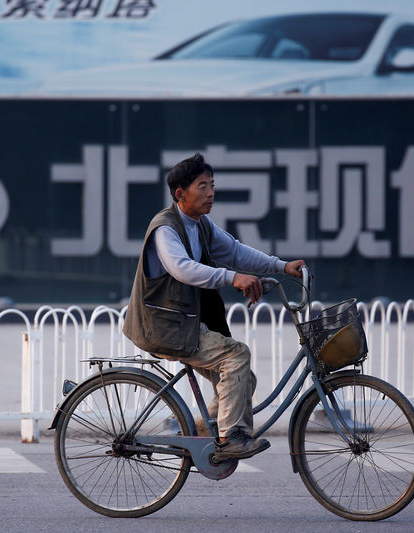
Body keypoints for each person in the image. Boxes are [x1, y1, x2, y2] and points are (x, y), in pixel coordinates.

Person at [123, 153, 306, 461]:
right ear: (181, 194)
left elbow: (235, 252)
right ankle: (231, 437)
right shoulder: (165, 228)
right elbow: (182, 269)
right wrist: (233, 279)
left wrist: (281, 266)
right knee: (236, 355)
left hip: (184, 324)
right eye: (202, 186)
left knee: (243, 379)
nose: (211, 192)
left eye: (212, 185)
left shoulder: (201, 226)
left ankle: (199, 433)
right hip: (163, 328)